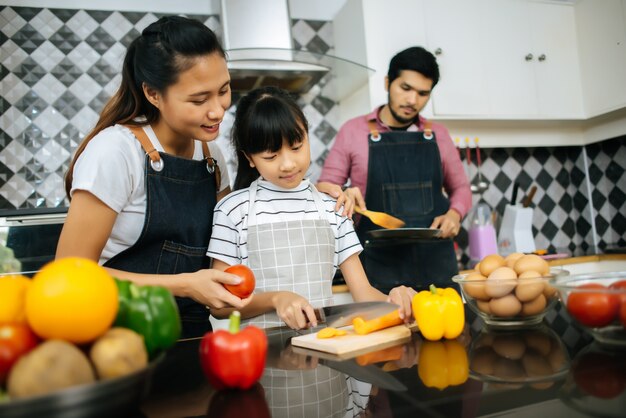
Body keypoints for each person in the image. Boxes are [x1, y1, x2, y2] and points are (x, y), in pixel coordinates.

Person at [56, 16, 251, 338]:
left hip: (189, 336)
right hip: (114, 336)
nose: (218, 110)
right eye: (199, 99)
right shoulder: (116, 151)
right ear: (153, 94)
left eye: (224, 90)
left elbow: (230, 238)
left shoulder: (211, 157)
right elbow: (69, 272)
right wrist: (186, 284)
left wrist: (311, 195)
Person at [207, 86, 415, 329]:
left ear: (307, 135)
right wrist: (275, 299)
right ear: (250, 158)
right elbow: (219, 306)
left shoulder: (333, 207)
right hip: (258, 358)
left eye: (296, 147)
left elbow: (363, 293)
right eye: (271, 156)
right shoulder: (232, 211)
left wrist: (401, 303)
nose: (288, 164)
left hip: (324, 352)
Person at [317, 46, 472, 293]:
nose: (412, 100)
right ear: (388, 82)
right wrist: (344, 194)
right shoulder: (353, 131)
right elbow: (324, 190)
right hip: (378, 268)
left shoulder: (439, 135)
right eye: (405, 88)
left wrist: (455, 214)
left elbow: (461, 188)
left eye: (423, 93)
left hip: (436, 263)